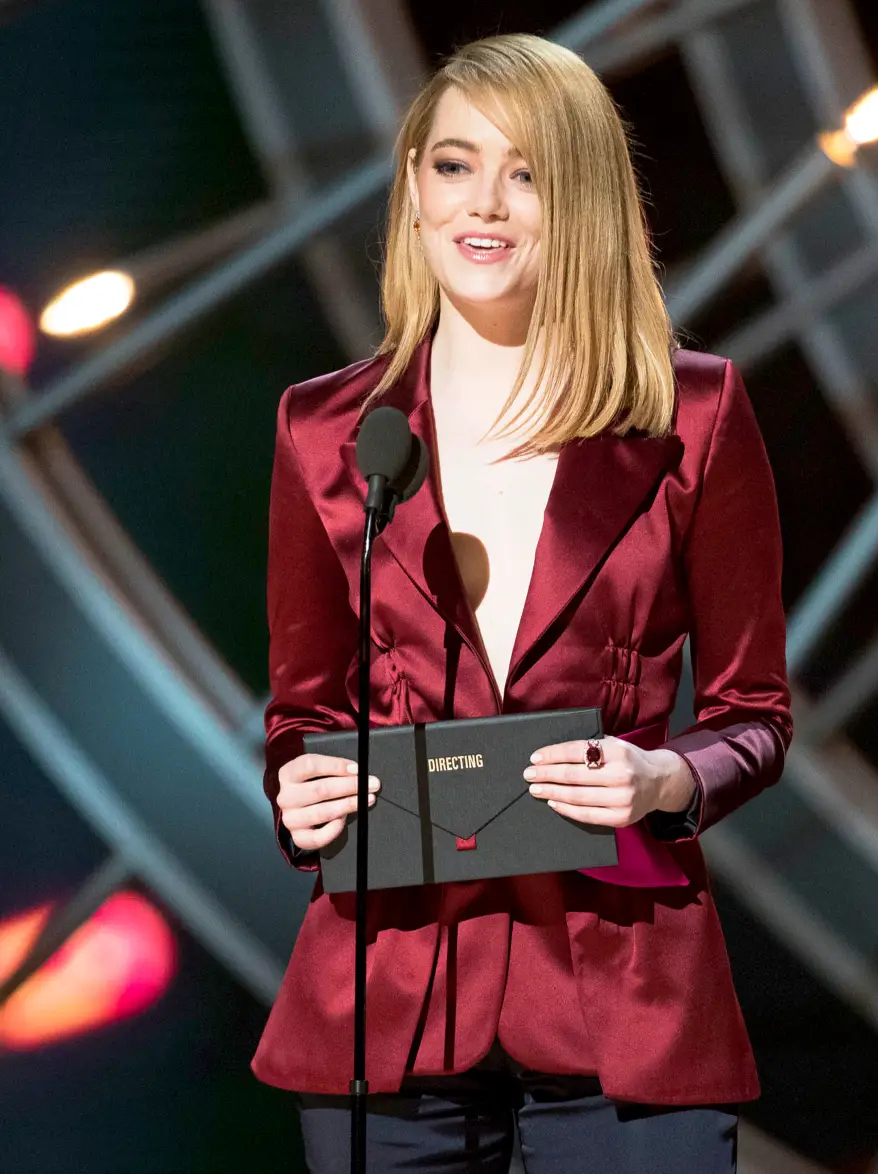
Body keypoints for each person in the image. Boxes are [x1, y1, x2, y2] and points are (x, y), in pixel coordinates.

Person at [252, 33, 791, 1174]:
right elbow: (300, 709)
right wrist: (299, 785)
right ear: (411, 187)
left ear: (582, 196)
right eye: (453, 165)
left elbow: (756, 711)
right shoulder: (323, 430)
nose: (483, 204)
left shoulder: (693, 415)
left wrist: (667, 776)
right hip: (387, 997)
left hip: (623, 989)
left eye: (527, 171)